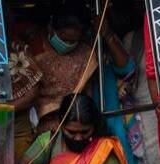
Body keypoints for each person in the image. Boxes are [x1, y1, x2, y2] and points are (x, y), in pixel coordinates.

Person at [28, 2, 134, 134]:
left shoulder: (88, 52)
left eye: (73, 41)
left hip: (89, 121)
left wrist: (107, 34)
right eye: (64, 39)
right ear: (50, 28)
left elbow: (126, 69)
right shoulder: (33, 51)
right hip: (48, 127)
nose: (68, 45)